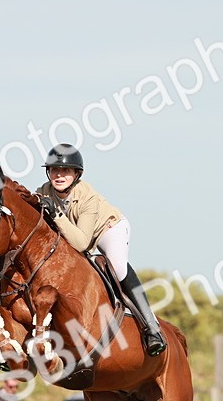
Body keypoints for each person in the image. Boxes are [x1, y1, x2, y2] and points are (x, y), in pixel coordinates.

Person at [36, 144, 166, 357]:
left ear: (77, 174)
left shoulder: (88, 197)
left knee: (117, 266)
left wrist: (57, 216)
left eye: (65, 170)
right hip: (75, 235)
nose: (59, 175)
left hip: (107, 229)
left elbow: (82, 243)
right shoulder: (43, 192)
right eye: (54, 170)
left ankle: (152, 327)